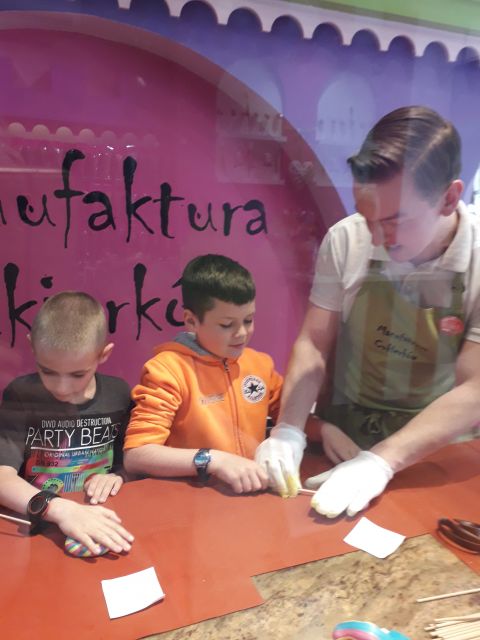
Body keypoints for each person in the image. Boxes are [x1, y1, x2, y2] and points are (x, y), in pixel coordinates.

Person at [255, 105, 480, 518]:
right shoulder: (347, 240)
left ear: (449, 198)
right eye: (367, 216)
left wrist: (381, 461)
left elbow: (475, 389)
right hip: (345, 437)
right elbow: (314, 343)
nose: (376, 237)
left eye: (394, 221)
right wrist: (289, 429)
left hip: (435, 453)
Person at [123, 254, 286, 494]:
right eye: (227, 325)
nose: (242, 333)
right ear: (191, 321)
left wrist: (323, 430)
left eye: (248, 320)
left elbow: (290, 416)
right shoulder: (167, 370)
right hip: (190, 502)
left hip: (251, 496)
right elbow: (137, 455)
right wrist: (213, 460)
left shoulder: (260, 364)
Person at [0, 292, 134, 555]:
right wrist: (59, 508)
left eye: (77, 374)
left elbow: (129, 463)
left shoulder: (118, 394)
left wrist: (118, 476)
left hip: (103, 516)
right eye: (47, 371)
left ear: (103, 354)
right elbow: (2, 476)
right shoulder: (21, 394)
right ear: (32, 347)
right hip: (40, 523)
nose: (61, 388)